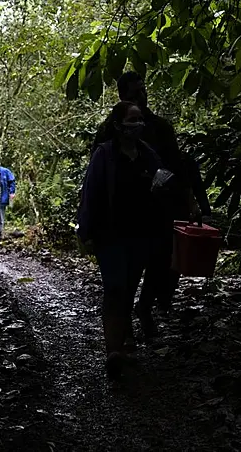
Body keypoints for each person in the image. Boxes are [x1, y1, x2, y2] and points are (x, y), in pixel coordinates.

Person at [92, 71, 199, 336]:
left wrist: (189, 201)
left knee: (161, 262)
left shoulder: (159, 127)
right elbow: (96, 173)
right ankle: (122, 331)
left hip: (159, 209)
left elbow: (177, 166)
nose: (142, 96)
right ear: (123, 96)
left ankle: (146, 307)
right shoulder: (110, 128)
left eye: (143, 90)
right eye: (135, 93)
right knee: (125, 274)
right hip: (121, 212)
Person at [77, 101, 176, 379]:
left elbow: (164, 186)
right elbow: (91, 192)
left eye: (140, 119)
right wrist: (85, 231)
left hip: (141, 235)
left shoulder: (148, 155)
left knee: (129, 287)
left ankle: (120, 345)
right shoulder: (104, 155)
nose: (138, 124)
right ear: (119, 125)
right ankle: (113, 350)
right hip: (110, 235)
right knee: (115, 287)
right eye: (132, 120)